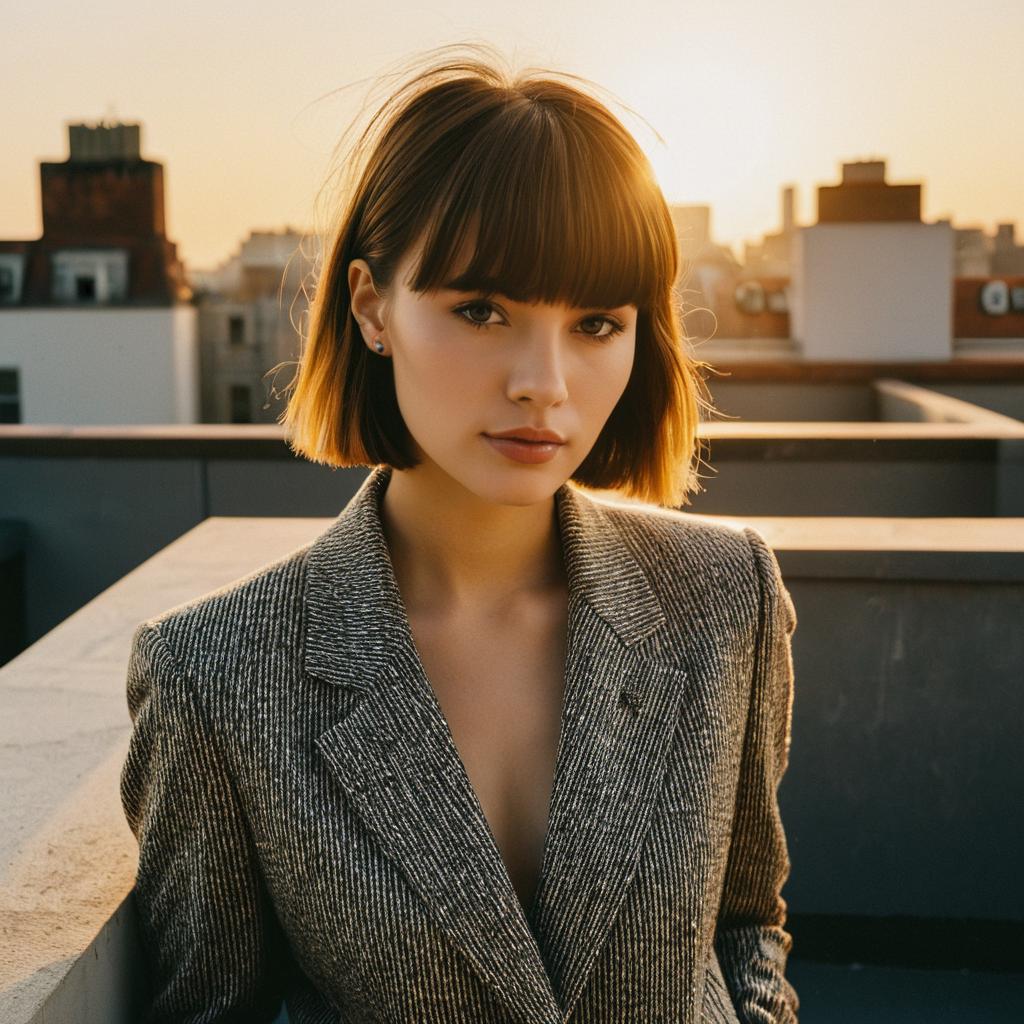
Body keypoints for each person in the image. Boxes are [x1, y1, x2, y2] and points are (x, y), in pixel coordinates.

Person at [120, 44, 800, 1024]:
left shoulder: (726, 593)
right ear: (372, 306)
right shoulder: (215, 674)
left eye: (597, 324)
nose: (543, 384)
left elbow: (745, 922)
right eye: (481, 310)